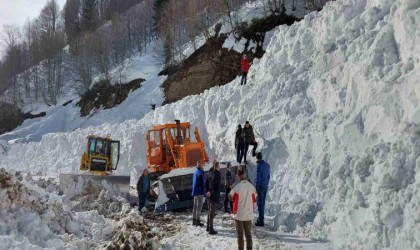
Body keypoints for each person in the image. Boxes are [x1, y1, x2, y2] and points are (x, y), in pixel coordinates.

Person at [229, 166, 257, 250]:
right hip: (248, 214)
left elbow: (230, 197)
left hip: (239, 214)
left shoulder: (237, 187)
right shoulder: (251, 187)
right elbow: (254, 198)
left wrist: (231, 189)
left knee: (240, 235)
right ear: (244, 174)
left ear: (238, 175)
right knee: (248, 234)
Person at [255, 152, 270, 226]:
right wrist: (267, 184)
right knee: (263, 203)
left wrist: (256, 188)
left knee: (259, 203)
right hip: (265, 186)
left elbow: (258, 179)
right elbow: (268, 176)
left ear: (257, 158)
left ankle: (261, 221)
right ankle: (261, 218)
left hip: (260, 186)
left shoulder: (258, 166)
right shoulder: (267, 165)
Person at [206, 160, 221, 235]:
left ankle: (208, 227)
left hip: (209, 194)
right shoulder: (217, 175)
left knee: (210, 211)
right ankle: (210, 229)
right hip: (213, 195)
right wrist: (211, 193)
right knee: (212, 212)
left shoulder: (210, 172)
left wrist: (207, 192)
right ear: (217, 166)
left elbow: (206, 182)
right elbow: (216, 187)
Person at [192, 160, 206, 226]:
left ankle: (194, 220)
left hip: (195, 192)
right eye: (202, 165)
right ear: (201, 166)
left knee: (195, 207)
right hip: (200, 193)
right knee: (199, 208)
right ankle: (198, 221)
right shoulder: (201, 173)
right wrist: (204, 194)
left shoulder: (195, 172)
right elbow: (203, 184)